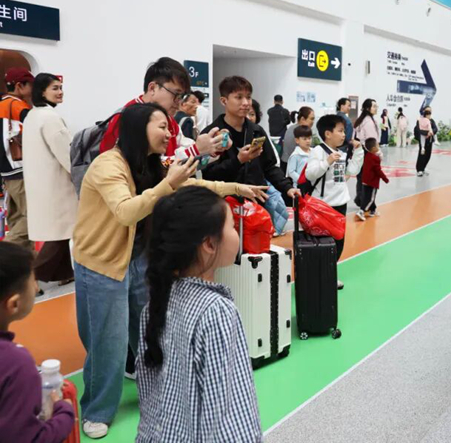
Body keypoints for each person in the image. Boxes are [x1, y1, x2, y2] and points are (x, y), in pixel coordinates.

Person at [72, 103, 267, 438]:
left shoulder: (150, 165)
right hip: (102, 262)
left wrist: (236, 189)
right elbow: (124, 211)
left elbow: (193, 189)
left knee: (148, 324)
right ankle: (97, 410)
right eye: (162, 126)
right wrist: (167, 184)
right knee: (108, 341)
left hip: (136, 257)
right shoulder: (109, 166)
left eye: (169, 126)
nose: (169, 132)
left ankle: (149, 378)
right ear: (137, 129)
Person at [136, 187, 261, 442]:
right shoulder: (216, 312)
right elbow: (229, 416)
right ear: (209, 244)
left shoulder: (155, 305)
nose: (236, 233)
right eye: (232, 227)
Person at [0, 242, 76, 442]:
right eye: (33, 280)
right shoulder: (15, 363)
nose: (36, 287)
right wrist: (64, 412)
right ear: (13, 303)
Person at [100, 57, 225, 161]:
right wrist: (196, 150)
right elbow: (143, 167)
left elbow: (183, 147)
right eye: (176, 94)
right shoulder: (126, 118)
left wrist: (212, 147)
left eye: (182, 96)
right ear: (153, 88)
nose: (179, 102)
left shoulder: (168, 119)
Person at [201, 77, 298, 205]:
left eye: (248, 97)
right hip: (224, 206)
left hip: (256, 203)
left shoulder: (256, 131)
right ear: (224, 101)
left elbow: (269, 166)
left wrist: (288, 187)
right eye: (239, 97)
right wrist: (238, 160)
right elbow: (209, 175)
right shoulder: (211, 134)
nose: (246, 102)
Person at [22, 73, 77, 285]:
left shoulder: (33, 115)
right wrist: (81, 173)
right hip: (57, 185)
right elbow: (66, 153)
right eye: (55, 88)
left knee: (61, 231)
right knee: (61, 232)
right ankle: (26, 280)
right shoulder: (50, 118)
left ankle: (63, 273)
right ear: (42, 91)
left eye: (61, 87)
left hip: (42, 183)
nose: (60, 91)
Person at [306, 114, 364, 289]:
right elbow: (311, 174)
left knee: (338, 242)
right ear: (327, 133)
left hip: (340, 204)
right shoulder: (318, 151)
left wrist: (359, 151)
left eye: (344, 131)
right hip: (322, 206)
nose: (343, 134)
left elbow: (351, 170)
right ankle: (318, 276)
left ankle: (329, 274)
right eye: (340, 131)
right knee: (321, 244)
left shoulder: (342, 152)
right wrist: (327, 162)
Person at [246, 98, 291, 236]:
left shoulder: (259, 133)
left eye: (252, 114)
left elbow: (271, 164)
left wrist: (286, 186)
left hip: (259, 192)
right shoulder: (225, 135)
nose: (249, 117)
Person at [0, 67, 34, 250]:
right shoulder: (17, 105)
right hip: (20, 168)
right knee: (32, 218)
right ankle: (5, 253)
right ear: (20, 86)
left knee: (15, 219)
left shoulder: (1, 102)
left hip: (6, 172)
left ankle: (20, 270)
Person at [353, 99, 380, 205]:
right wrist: (377, 154)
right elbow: (372, 141)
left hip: (360, 152)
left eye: (376, 106)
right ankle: (366, 202)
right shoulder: (368, 122)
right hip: (368, 152)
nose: (376, 108)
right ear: (367, 108)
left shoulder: (361, 120)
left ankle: (360, 199)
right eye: (374, 106)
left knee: (361, 177)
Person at [356, 137, 389, 221]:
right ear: (374, 148)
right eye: (378, 145)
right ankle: (361, 211)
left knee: (368, 196)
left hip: (365, 181)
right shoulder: (375, 158)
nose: (379, 146)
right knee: (370, 198)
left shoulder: (367, 156)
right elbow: (378, 170)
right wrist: (385, 179)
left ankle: (373, 210)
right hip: (372, 182)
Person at [281, 106, 315, 173]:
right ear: (302, 119)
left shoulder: (291, 128)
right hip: (293, 166)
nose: (313, 122)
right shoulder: (301, 131)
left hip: (285, 163)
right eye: (311, 119)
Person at [415, 109, 434, 176]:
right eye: (429, 114)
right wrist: (427, 133)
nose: (430, 116)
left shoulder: (431, 120)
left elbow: (435, 128)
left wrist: (431, 132)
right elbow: (418, 130)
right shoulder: (419, 120)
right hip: (423, 139)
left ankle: (423, 168)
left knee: (428, 155)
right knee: (422, 155)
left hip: (429, 140)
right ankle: (419, 169)